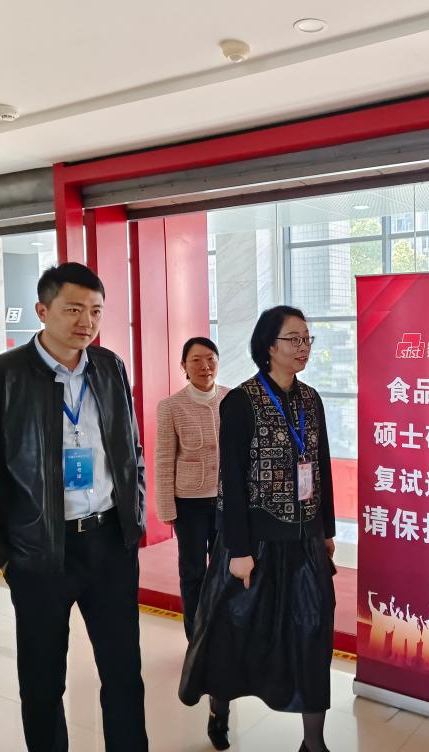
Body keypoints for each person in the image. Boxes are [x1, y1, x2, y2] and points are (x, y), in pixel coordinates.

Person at [0, 262, 148, 752]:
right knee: (43, 681)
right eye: (73, 309)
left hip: (110, 544)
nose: (86, 322)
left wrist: (132, 520)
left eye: (96, 311)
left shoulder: (110, 367)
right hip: (39, 552)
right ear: (42, 309)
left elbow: (130, 450)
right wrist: (4, 555)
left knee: (123, 673)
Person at [179, 306, 336, 752]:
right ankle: (219, 711)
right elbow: (230, 479)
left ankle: (313, 743)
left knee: (312, 634)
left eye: (307, 339)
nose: (303, 347)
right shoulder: (241, 401)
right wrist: (239, 550)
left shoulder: (311, 400)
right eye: (294, 339)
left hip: (304, 542)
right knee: (233, 634)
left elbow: (320, 466)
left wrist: (326, 529)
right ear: (268, 346)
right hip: (254, 545)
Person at [154, 336, 231, 749]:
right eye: (197, 360)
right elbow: (164, 458)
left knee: (226, 571)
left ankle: (223, 635)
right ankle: (195, 641)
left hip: (227, 502)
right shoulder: (171, 406)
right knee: (193, 573)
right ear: (184, 366)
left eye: (210, 359)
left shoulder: (234, 399)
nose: (205, 366)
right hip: (190, 502)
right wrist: (166, 507)